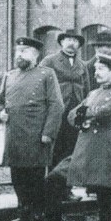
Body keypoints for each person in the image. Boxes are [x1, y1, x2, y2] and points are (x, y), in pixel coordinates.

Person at [43, 54, 111, 221]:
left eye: (101, 69)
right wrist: (84, 116)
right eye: (96, 69)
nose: (96, 73)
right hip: (83, 149)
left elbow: (108, 112)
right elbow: (72, 115)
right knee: (53, 179)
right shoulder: (92, 94)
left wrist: (86, 114)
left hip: (102, 150)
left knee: (105, 196)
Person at [0, 38, 64, 221]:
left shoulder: (46, 74)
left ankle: (37, 215)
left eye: (24, 51)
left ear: (36, 54)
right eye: (18, 50)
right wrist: (0, 113)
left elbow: (56, 105)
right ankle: (24, 212)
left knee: (36, 179)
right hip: (14, 135)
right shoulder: (10, 75)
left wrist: (48, 132)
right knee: (17, 177)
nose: (19, 54)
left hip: (36, 135)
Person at [39, 30, 92, 174]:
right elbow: (40, 85)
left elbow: (87, 89)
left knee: (72, 150)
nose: (71, 43)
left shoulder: (82, 65)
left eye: (75, 41)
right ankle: (53, 188)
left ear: (79, 45)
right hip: (57, 112)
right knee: (55, 150)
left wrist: (84, 108)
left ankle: (66, 188)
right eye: (68, 39)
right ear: (61, 42)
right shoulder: (50, 61)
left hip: (75, 113)